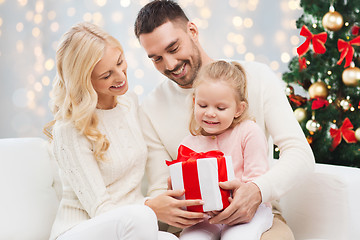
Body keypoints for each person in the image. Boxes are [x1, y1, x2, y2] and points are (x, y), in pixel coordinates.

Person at [134, 1, 315, 239]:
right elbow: (160, 186)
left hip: (258, 215)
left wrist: (257, 190)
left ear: (193, 31)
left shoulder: (257, 77)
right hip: (195, 224)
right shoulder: (151, 108)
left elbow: (300, 155)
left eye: (174, 48)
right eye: (156, 58)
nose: (170, 64)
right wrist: (171, 204)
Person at [44, 22, 179, 240]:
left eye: (120, 62)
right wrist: (150, 207)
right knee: (142, 218)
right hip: (81, 229)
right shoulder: (69, 129)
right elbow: (100, 209)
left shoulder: (129, 103)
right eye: (106, 75)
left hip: (131, 222)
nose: (120, 77)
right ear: (85, 81)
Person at [179, 60, 273, 240]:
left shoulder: (248, 131)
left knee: (236, 237)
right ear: (194, 102)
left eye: (220, 108)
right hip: (207, 218)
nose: (210, 113)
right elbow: (188, 195)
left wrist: (231, 197)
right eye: (203, 105)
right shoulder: (188, 143)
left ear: (239, 109)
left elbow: (257, 178)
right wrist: (181, 196)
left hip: (249, 211)